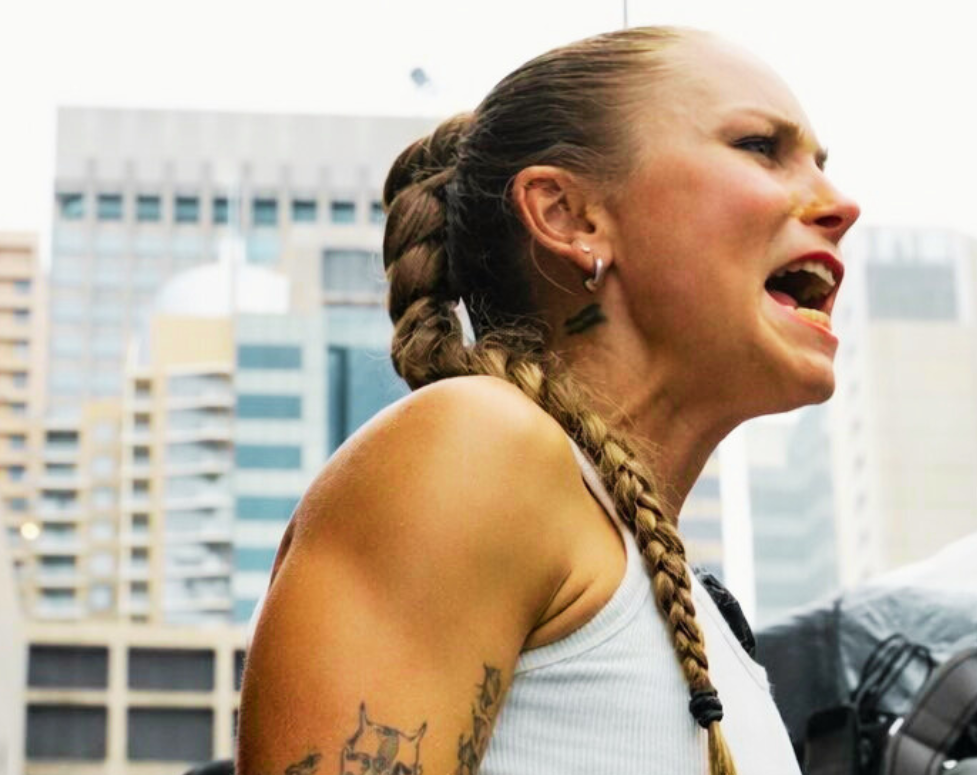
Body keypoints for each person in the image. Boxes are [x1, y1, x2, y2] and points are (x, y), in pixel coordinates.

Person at [236, 25, 856, 775]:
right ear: (568, 216)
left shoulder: (697, 618)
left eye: (821, 164)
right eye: (760, 146)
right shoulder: (475, 444)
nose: (841, 205)